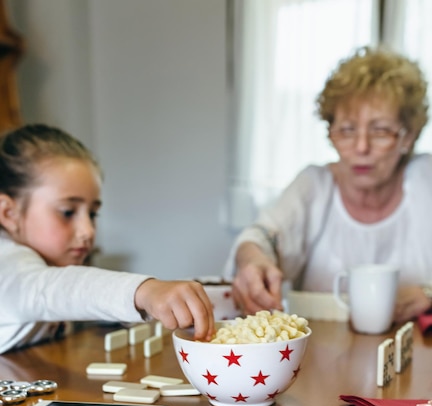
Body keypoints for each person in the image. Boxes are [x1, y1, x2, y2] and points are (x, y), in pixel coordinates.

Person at [225, 46, 432, 324]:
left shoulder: (424, 180)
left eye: (380, 130)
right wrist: (251, 259)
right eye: (347, 130)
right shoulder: (314, 186)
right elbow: (261, 236)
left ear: (408, 137)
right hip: (321, 358)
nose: (361, 147)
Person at [0, 123, 214, 354]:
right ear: (8, 213)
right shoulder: (8, 266)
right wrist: (144, 292)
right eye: (67, 212)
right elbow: (55, 290)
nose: (88, 231)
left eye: (92, 214)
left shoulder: (49, 261)